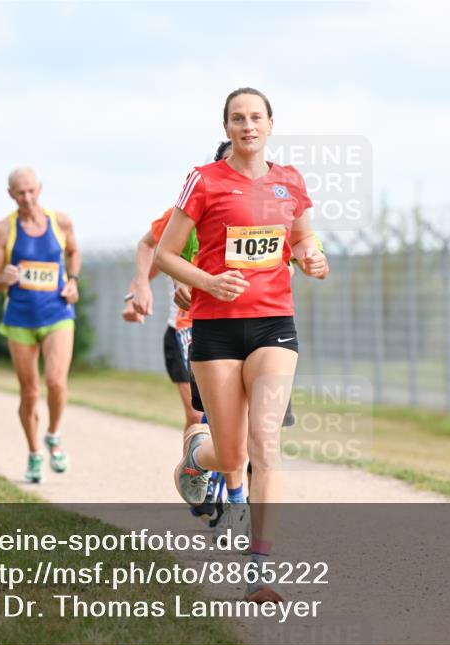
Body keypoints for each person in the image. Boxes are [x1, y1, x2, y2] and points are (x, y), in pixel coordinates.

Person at [155, 88, 328, 602]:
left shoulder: (290, 180)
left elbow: (302, 239)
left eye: (256, 117)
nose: (248, 125)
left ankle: (259, 566)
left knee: (265, 445)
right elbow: (166, 254)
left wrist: (313, 257)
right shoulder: (204, 180)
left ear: (271, 125)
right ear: (226, 127)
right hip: (216, 328)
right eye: (238, 118)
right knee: (230, 452)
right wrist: (208, 282)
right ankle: (196, 457)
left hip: (274, 324)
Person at [125, 140, 245, 527]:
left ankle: (231, 496)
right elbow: (151, 246)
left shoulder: (256, 212)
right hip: (187, 327)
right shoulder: (190, 207)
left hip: (240, 327)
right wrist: (140, 288)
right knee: (199, 414)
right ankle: (201, 481)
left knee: (244, 421)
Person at [0, 167, 79, 484]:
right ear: (10, 194)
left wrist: (73, 281)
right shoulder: (2, 230)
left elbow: (74, 253)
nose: (27, 198)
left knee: (56, 382)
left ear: (39, 188)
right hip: (20, 318)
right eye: (20, 193)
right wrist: (3, 278)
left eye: (31, 190)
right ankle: (34, 452)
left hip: (58, 313)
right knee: (29, 392)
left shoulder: (61, 221)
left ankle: (53, 434)